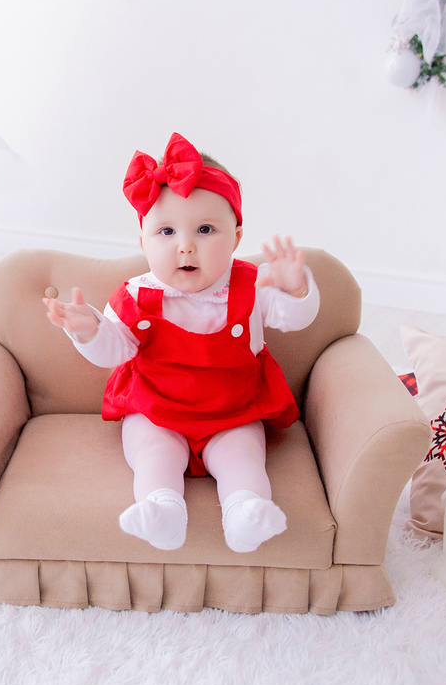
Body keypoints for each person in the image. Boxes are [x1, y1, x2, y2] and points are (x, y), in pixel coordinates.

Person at [43, 132, 319, 552]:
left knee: (244, 457)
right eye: (166, 231)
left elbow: (294, 318)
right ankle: (163, 510)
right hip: (156, 411)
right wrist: (88, 330)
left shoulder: (252, 285)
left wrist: (296, 290)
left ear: (236, 237)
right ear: (143, 242)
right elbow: (114, 350)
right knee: (153, 455)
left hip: (233, 411)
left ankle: (245, 512)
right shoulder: (136, 295)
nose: (185, 246)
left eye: (205, 229)